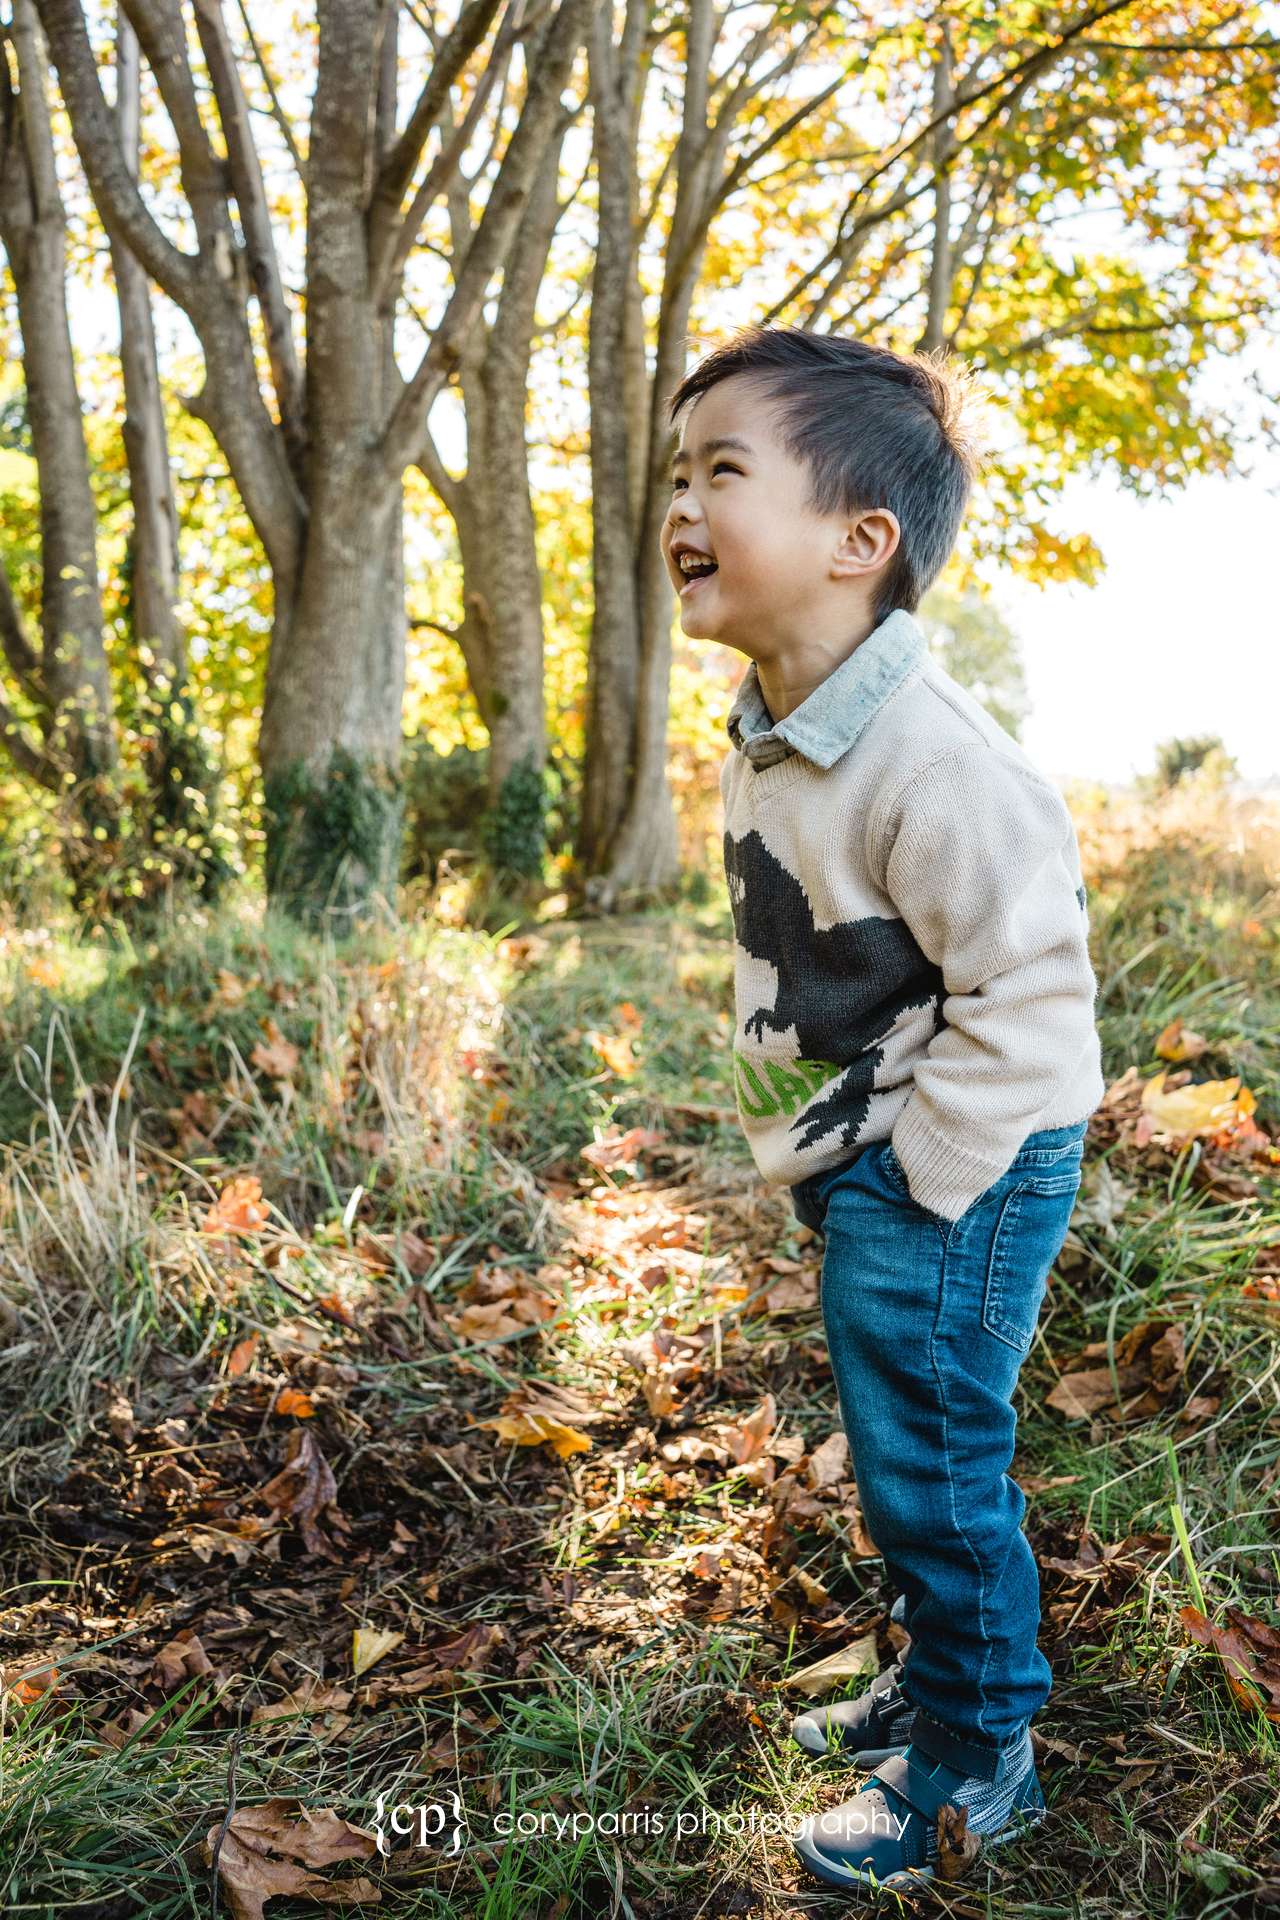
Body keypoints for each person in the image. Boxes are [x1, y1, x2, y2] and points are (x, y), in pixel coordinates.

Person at [659, 325, 1104, 1895]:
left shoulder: (936, 760)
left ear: (861, 543)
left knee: (933, 1458)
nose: (682, 504)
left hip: (959, 1167)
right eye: (678, 470)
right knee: (893, 1442)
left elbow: (1037, 1000)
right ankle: (933, 1685)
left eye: (725, 469)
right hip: (881, 1157)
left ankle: (979, 1760)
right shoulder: (788, 722)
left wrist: (919, 1181)